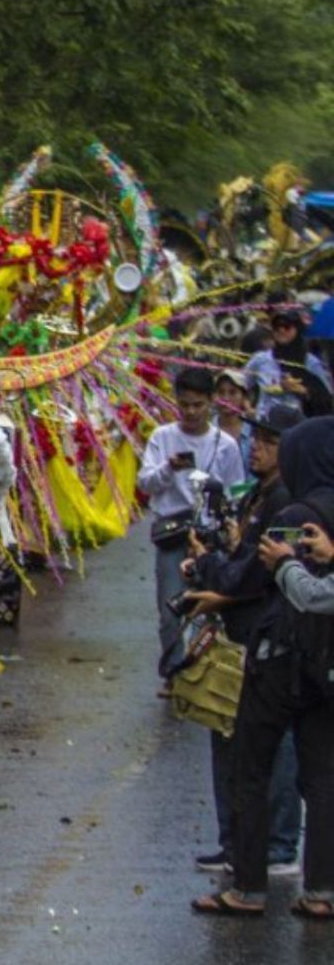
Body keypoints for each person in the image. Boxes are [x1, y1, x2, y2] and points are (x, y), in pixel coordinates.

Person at [193, 416, 334, 917]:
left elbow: (247, 575)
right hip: (326, 664)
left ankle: (247, 886)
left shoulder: (295, 513)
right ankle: (322, 890)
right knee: (322, 778)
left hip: (280, 658)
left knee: (248, 766)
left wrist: (206, 564)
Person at [183, 403, 304, 876]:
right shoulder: (262, 493)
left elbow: (255, 576)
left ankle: (274, 844)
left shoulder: (286, 502)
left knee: (272, 746)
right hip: (241, 631)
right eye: (258, 439)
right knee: (230, 736)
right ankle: (237, 840)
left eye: (270, 442)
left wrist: (215, 581)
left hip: (267, 637)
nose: (258, 448)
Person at [138, 367, 244, 683]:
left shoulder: (225, 444)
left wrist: (227, 520)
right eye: (185, 404)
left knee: (209, 607)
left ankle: (202, 674)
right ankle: (173, 673)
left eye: (198, 404)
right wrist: (169, 468)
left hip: (210, 535)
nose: (191, 412)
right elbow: (145, 483)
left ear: (210, 402)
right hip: (172, 533)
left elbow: (236, 489)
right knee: (171, 608)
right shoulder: (163, 437)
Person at [245, 307, 332, 418]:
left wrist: (304, 391)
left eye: (287, 326)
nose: (281, 330)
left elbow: (327, 398)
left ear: (297, 329)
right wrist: (248, 408)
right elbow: (240, 384)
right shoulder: (261, 359)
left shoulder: (310, 363)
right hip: (265, 428)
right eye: (277, 326)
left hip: (299, 428)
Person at [214, 368, 253, 475]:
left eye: (232, 392)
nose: (226, 398)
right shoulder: (207, 430)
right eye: (221, 392)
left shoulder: (253, 432)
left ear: (244, 397)